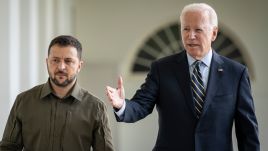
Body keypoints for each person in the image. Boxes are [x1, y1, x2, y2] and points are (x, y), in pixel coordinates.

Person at [106, 3, 260, 151]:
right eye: (185, 29)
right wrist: (122, 105)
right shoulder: (162, 68)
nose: (190, 36)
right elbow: (141, 105)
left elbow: (247, 131)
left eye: (198, 30)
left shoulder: (236, 73)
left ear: (213, 33)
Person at [0, 35, 114, 151]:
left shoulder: (96, 108)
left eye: (68, 61)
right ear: (47, 62)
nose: (61, 67)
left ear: (79, 66)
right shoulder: (23, 101)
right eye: (55, 60)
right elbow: (8, 148)